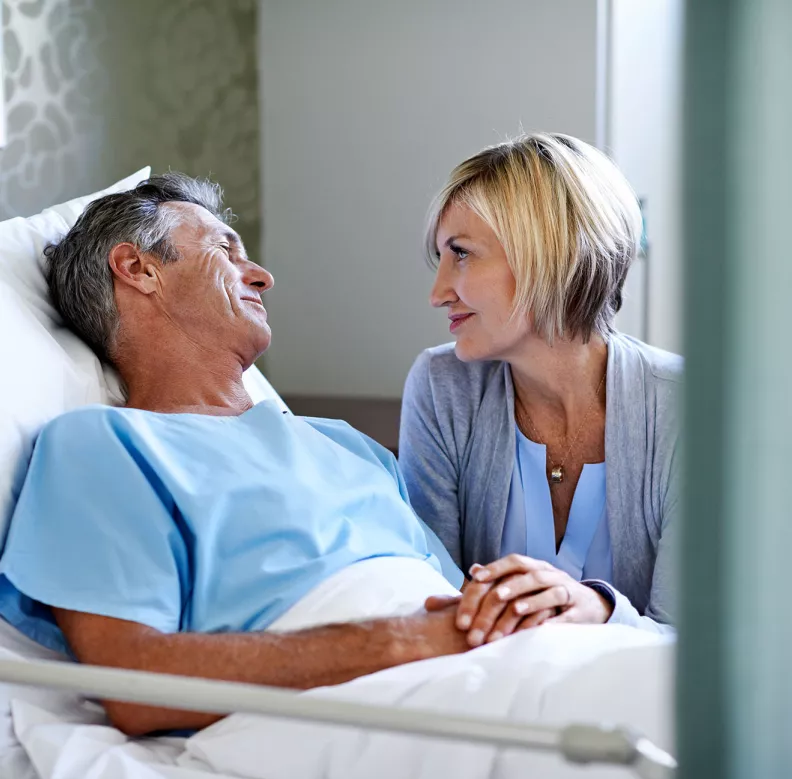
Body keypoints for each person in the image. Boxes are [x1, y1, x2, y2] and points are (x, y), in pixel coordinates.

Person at [0, 173, 470, 738]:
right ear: (139, 269)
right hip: (362, 705)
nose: (263, 276)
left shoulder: (348, 445)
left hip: (484, 662)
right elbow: (135, 685)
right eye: (225, 249)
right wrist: (398, 641)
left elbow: (461, 606)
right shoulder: (101, 447)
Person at [400, 133, 681, 643]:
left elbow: (694, 650)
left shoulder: (685, 408)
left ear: (550, 255)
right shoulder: (442, 388)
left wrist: (597, 609)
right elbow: (432, 605)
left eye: (461, 254)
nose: (438, 292)